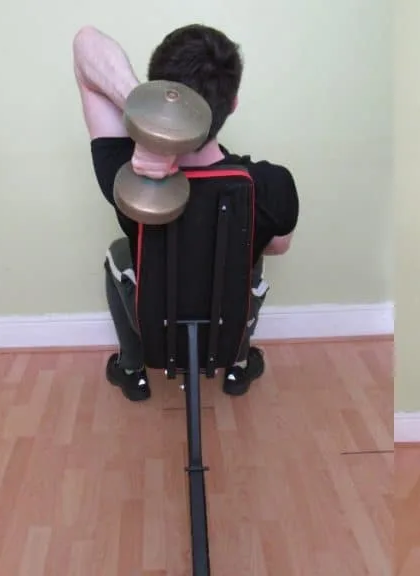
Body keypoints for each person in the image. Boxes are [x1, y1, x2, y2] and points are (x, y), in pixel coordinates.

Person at [72, 24, 299, 402]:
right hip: (226, 329)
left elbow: (85, 44)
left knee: (118, 251)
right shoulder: (272, 185)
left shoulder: (125, 175)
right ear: (234, 103)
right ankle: (238, 365)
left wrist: (152, 117)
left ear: (159, 93)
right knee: (253, 253)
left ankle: (132, 368)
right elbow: (279, 247)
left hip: (156, 330)